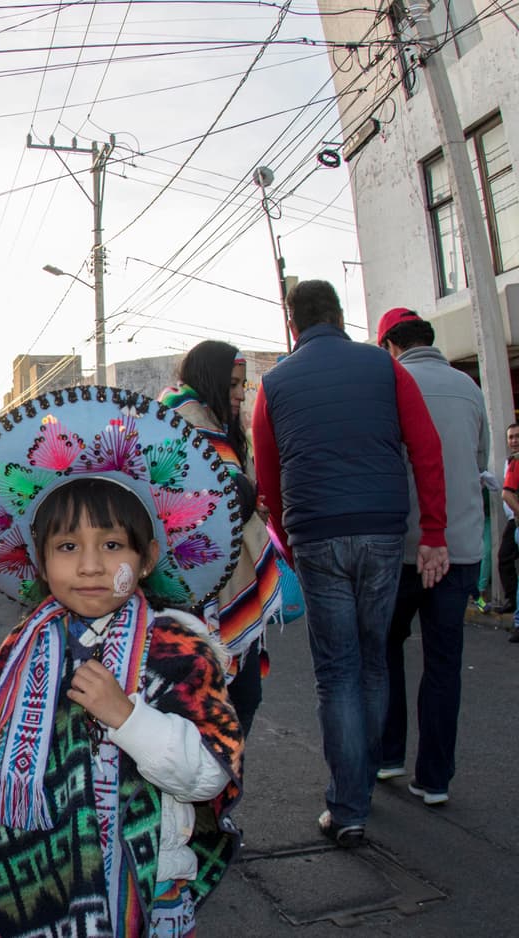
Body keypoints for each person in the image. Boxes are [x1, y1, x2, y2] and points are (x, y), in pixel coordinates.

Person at [0, 389, 243, 937]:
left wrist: (128, 717)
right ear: (40, 559)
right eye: (68, 547)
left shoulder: (177, 647)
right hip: (46, 889)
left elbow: (208, 773)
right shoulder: (31, 643)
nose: (91, 566)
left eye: (112, 545)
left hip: (146, 889)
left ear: (147, 558)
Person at [252, 280, 448, 847]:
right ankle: (362, 782)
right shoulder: (385, 367)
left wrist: (289, 537)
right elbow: (426, 448)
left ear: (293, 324)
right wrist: (433, 531)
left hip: (317, 533)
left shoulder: (274, 384)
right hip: (383, 529)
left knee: (337, 671)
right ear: (340, 316)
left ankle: (348, 807)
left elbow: (268, 474)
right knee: (373, 662)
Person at [372, 308, 487, 807]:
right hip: (458, 549)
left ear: (391, 347)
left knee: (386, 649)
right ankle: (435, 779)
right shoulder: (469, 387)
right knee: (444, 663)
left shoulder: (390, 385)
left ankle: (389, 753)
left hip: (401, 549)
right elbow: (480, 461)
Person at [159, 341, 282, 733]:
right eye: (232, 384)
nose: (240, 393)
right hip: (196, 589)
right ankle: (217, 770)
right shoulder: (184, 424)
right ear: (209, 379)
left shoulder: (218, 427)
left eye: (242, 385)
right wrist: (245, 499)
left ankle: (222, 768)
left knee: (240, 697)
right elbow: (203, 503)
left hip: (224, 579)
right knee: (220, 702)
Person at [498, 423, 519, 613]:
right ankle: (513, 600)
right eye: (511, 437)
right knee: (504, 558)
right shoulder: (510, 461)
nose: (514, 440)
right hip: (513, 519)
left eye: (517, 436)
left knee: (505, 557)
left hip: (516, 518)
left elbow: (507, 494)